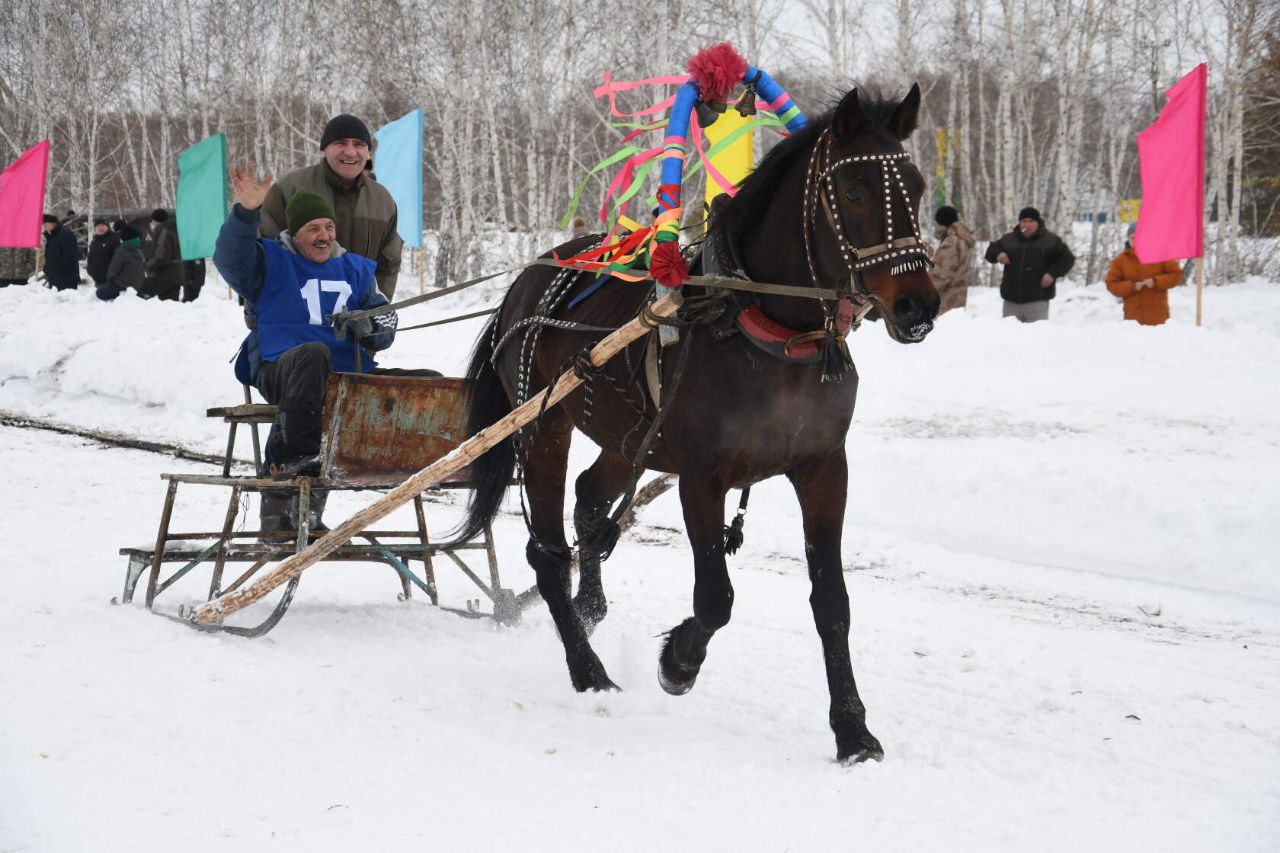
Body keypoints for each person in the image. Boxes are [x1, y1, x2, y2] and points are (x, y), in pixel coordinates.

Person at [214, 163, 398, 533]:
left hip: (347, 376)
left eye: (328, 227)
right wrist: (246, 213)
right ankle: (298, 466)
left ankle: (421, 469)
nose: (324, 235)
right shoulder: (269, 260)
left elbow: (389, 323)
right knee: (314, 355)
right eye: (313, 228)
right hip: (281, 365)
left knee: (427, 383)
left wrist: (372, 326)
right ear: (294, 233)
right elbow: (231, 261)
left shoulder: (357, 271)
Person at [258, 114, 403, 299]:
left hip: (359, 322)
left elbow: (388, 264)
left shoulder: (382, 200)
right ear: (324, 150)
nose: (351, 152)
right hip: (298, 320)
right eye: (341, 143)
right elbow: (261, 256)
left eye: (359, 144)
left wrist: (376, 313)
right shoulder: (288, 189)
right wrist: (261, 316)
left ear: (368, 153)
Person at [984, 206, 1075, 322]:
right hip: (1011, 301)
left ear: (1038, 223)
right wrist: (999, 254)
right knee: (1009, 338)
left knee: (1034, 338)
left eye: (1031, 221)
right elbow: (991, 251)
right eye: (1024, 221)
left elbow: (1067, 259)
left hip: (1037, 300)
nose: (1027, 224)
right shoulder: (1009, 239)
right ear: (1019, 223)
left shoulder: (1051, 240)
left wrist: (1052, 274)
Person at [1105, 224, 1182, 326]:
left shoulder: (1161, 255)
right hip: (1133, 322)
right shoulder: (1120, 261)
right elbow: (1111, 284)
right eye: (1132, 237)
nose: (1135, 240)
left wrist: (1156, 282)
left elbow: (1176, 275)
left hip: (1159, 320)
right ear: (1128, 239)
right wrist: (1132, 287)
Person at [931, 206, 975, 314]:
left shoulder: (951, 242)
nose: (938, 228)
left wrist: (922, 293)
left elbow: (941, 275)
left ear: (944, 223)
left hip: (945, 304)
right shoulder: (962, 239)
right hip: (958, 300)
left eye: (939, 224)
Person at [142, 209, 185, 300]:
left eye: (153, 220)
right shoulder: (173, 229)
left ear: (156, 220)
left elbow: (161, 257)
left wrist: (147, 265)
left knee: (167, 305)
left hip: (166, 276)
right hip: (174, 274)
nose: (152, 222)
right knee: (171, 306)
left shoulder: (163, 233)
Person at [97, 224, 145, 301]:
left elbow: (113, 270)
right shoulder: (139, 251)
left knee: (100, 292)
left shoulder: (121, 251)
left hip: (123, 285)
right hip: (138, 285)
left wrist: (109, 280)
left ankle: (120, 297)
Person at [42, 214, 81, 291]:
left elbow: (70, 256)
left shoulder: (66, 234)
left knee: (65, 302)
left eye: (46, 225)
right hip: (54, 278)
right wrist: (47, 269)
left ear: (53, 224)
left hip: (66, 278)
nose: (44, 228)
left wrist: (57, 270)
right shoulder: (51, 236)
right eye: (43, 225)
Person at [87, 218, 120, 290]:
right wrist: (89, 270)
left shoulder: (113, 239)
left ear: (107, 226)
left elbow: (119, 259)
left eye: (102, 225)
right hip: (98, 280)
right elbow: (90, 258)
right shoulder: (94, 242)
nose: (100, 228)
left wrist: (112, 274)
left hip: (110, 281)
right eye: (98, 226)